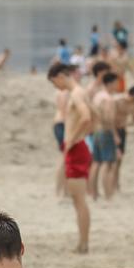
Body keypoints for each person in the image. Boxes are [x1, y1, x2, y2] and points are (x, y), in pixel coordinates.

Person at [48, 62, 92, 254]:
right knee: (77, 200)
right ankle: (82, 243)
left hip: (77, 148)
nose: (55, 87)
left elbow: (86, 117)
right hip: (78, 147)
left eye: (54, 83)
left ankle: (83, 244)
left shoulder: (75, 93)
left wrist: (72, 140)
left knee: (79, 200)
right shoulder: (79, 92)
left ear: (60, 76)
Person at [89, 71, 120, 201]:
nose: (117, 85)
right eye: (116, 82)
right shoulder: (108, 99)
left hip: (96, 130)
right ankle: (108, 195)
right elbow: (109, 118)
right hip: (105, 131)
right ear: (111, 83)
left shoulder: (98, 95)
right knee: (108, 164)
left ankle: (94, 193)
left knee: (96, 162)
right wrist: (115, 134)